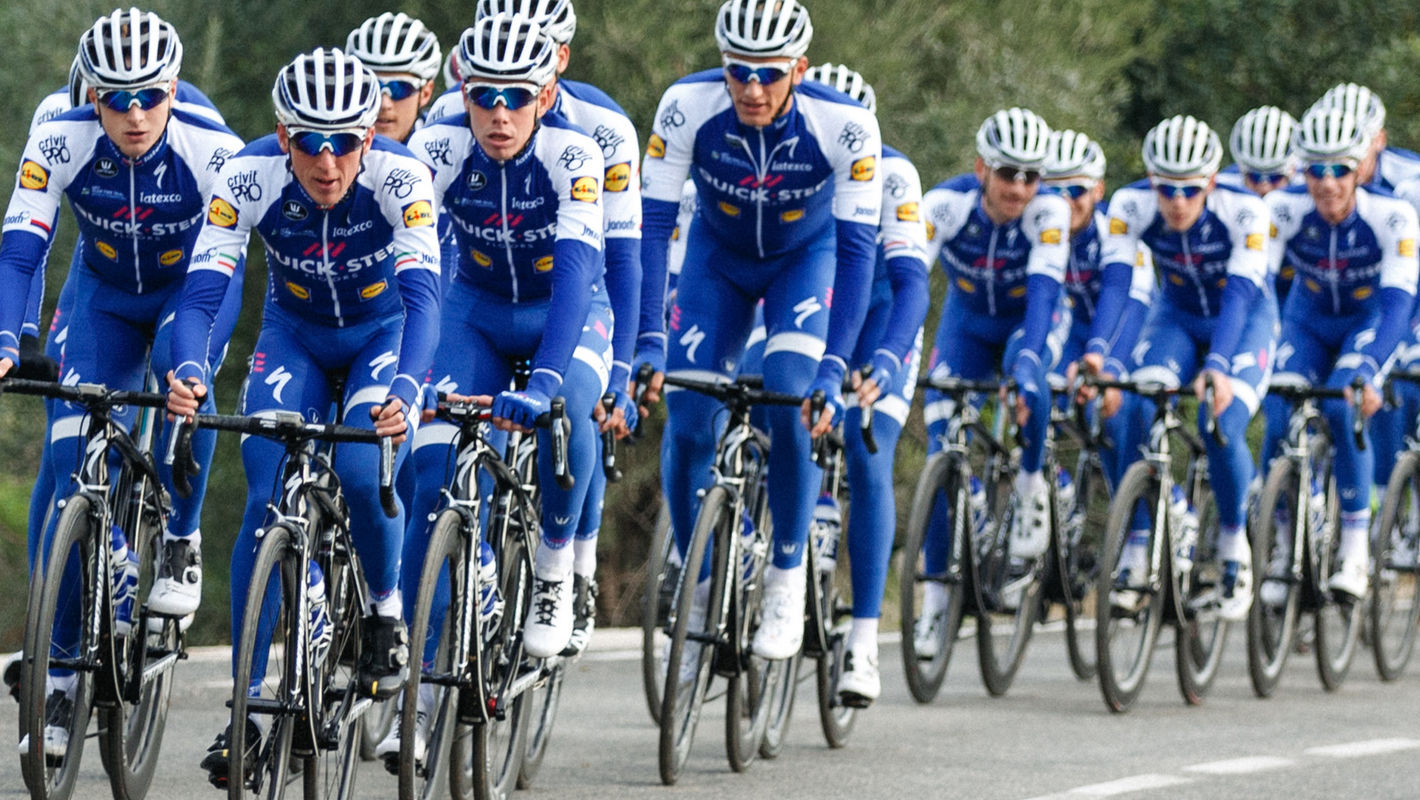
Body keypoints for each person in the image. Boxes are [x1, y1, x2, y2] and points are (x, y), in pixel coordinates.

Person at [164, 47, 441, 786]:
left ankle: (383, 609)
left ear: (369, 139)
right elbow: (199, 297)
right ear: (283, 137)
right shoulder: (244, 175)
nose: (327, 162)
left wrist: (408, 391)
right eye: (309, 144)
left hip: (382, 335)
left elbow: (424, 303)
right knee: (263, 492)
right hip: (295, 335)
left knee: (359, 467)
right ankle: (248, 714)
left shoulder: (403, 177)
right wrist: (191, 366)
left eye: (346, 142)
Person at [0, 8, 244, 758]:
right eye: (113, 98)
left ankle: (179, 534)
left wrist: (194, 364)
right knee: (70, 456)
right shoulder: (58, 134)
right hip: (102, 295)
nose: (133, 115)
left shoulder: (215, 148)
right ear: (88, 95)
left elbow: (224, 268)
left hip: (189, 293)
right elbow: (20, 249)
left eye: (148, 97)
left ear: (172, 88)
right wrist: (10, 336)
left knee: (181, 386)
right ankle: (65, 675)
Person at [637, 0, 882, 663]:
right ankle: (700, 577)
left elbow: (859, 255)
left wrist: (835, 366)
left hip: (805, 262)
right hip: (716, 262)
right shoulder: (687, 106)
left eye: (768, 74)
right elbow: (653, 227)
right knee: (687, 416)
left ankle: (785, 575)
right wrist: (647, 341)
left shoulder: (846, 124)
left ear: (799, 69)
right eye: (737, 71)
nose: (750, 88)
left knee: (790, 394)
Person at [462, 0, 646, 657]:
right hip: (483, 307)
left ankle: (567, 564)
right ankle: (468, 562)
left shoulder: (602, 130)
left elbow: (623, 258)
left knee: (574, 404)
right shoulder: (456, 126)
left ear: (558, 59)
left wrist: (630, 363)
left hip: (575, 303)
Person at [1098, 115, 1276, 622]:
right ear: (1151, 181)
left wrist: (1217, 366)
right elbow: (1115, 284)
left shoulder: (1246, 212)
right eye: (1166, 188)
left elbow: (1240, 298)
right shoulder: (1130, 206)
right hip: (1174, 316)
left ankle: (1234, 544)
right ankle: (1139, 543)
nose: (1177, 200)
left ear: (1212, 182)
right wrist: (1099, 354)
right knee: (1133, 404)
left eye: (1190, 189)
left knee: (1219, 423)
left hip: (1243, 322)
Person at [912, 107, 1069, 654]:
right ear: (982, 168)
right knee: (940, 442)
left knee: (1032, 382)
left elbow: (1047, 295)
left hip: (1028, 322)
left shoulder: (1049, 213)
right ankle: (935, 604)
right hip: (967, 324)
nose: (1019, 188)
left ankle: (1028, 489)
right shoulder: (943, 204)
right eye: (1008, 173)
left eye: (1031, 176)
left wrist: (1026, 366)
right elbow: (911, 282)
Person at [797, 63, 928, 706]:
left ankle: (866, 641)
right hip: (816, 310)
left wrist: (889, 359)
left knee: (866, 446)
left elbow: (912, 288)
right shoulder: (794, 164)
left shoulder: (896, 175)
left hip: (881, 319)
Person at [1258, 103, 1419, 601]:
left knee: (1341, 402)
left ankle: (1353, 547)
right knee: (1278, 402)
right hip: (1307, 321)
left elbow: (1397, 304)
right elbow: (1258, 285)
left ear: (1359, 169)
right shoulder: (1282, 209)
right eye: (1315, 170)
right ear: (1301, 170)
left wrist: (1370, 370)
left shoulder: (1392, 216)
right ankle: (1282, 542)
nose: (1327, 182)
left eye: (1339, 170)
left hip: (1366, 321)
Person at [345, 12, 441, 144]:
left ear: (425, 93)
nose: (384, 104)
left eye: (400, 88)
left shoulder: (443, 146)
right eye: (371, 88)